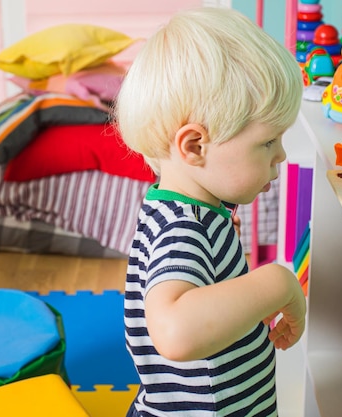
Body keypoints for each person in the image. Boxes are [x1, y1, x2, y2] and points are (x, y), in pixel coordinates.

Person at [115, 7, 306, 416]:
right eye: (268, 142)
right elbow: (175, 331)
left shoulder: (189, 207)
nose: (282, 156)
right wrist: (276, 283)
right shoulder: (184, 228)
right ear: (195, 147)